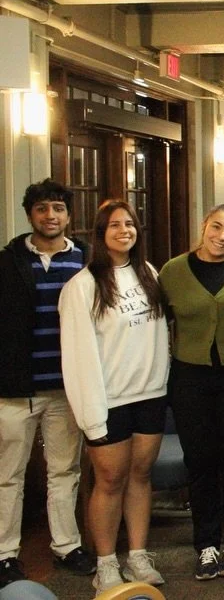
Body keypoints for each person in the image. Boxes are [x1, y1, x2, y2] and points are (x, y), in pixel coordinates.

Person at [58, 200, 169, 594]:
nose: (125, 230)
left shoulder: (149, 273)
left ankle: (137, 554)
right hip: (109, 400)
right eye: (115, 225)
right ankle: (105, 562)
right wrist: (92, 414)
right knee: (109, 480)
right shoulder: (82, 286)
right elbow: (76, 356)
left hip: (150, 393)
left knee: (140, 476)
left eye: (130, 224)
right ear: (101, 233)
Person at [158, 204, 224, 581]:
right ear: (204, 227)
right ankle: (205, 543)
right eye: (217, 227)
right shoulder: (172, 271)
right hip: (190, 377)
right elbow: (159, 326)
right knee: (200, 462)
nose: (223, 237)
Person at [0, 180, 95, 587]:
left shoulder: (87, 259)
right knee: (9, 474)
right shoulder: (6, 261)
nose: (50, 216)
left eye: (58, 208)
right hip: (15, 387)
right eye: (42, 209)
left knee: (63, 470)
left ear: (69, 215)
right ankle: (5, 553)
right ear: (30, 216)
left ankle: (66, 545)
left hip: (66, 387)